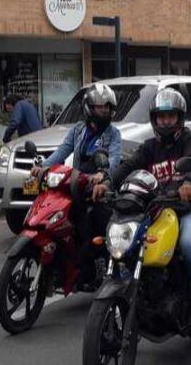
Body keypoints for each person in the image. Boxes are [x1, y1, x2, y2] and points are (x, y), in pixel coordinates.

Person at [94, 88, 191, 323]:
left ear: (179, 118)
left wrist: (188, 181)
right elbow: (129, 165)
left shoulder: (190, 139)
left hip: (188, 208)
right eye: (161, 116)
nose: (166, 121)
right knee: (130, 245)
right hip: (157, 208)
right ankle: (134, 295)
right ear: (155, 118)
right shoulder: (149, 147)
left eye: (170, 116)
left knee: (188, 245)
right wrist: (108, 181)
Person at [30, 83, 122, 284]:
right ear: (89, 107)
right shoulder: (78, 130)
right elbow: (62, 151)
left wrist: (103, 174)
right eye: (100, 107)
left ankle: (106, 268)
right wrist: (44, 167)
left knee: (96, 221)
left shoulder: (113, 134)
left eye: (107, 107)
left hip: (99, 188)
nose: (104, 111)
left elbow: (115, 159)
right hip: (75, 183)